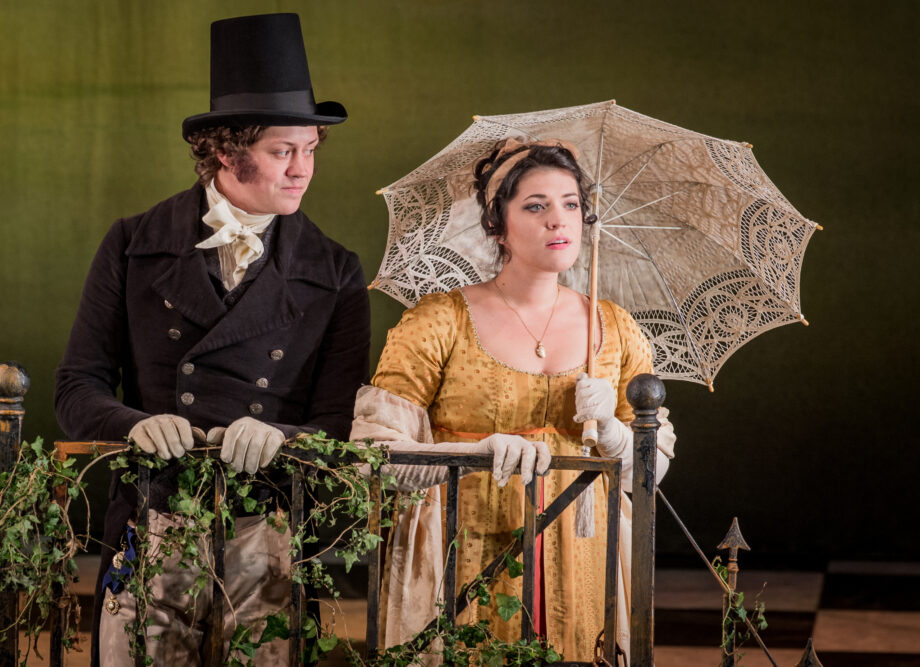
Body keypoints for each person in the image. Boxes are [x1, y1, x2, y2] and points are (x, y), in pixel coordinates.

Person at [54, 13, 370, 665]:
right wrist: (134, 423)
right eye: (285, 150)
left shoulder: (335, 271)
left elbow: (338, 421)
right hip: (152, 517)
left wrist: (282, 437)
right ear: (226, 151)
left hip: (269, 531)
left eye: (311, 149)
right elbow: (76, 387)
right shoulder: (133, 242)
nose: (303, 169)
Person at [350, 138, 676, 660]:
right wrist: (473, 454)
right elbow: (376, 456)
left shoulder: (615, 328)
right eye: (535, 206)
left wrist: (614, 432)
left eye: (571, 204)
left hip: (581, 554)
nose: (558, 221)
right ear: (497, 225)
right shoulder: (440, 322)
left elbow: (649, 470)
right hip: (466, 545)